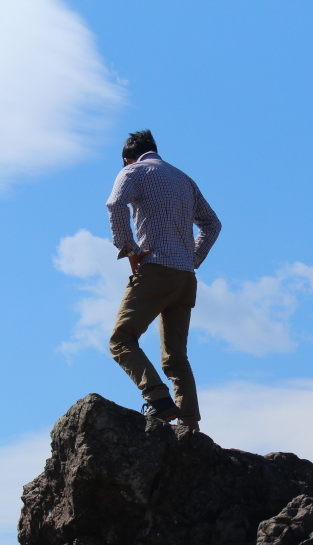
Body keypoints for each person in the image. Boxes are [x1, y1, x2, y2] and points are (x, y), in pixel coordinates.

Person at [106, 130, 221, 430]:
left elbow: (115, 205)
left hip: (155, 268)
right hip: (185, 277)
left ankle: (157, 399)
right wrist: (193, 258)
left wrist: (128, 248)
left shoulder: (132, 171)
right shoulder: (184, 179)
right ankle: (188, 425)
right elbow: (212, 223)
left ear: (126, 159)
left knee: (121, 339)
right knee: (176, 357)